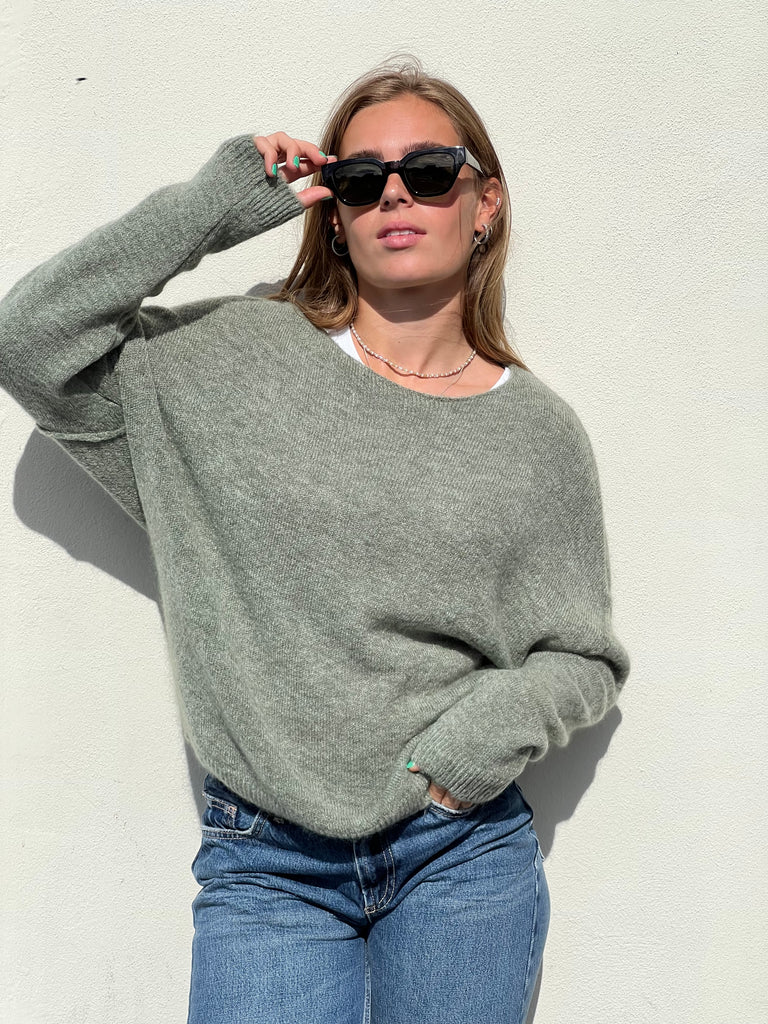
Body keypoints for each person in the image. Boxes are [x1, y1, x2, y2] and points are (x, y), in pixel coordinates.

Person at [0, 55, 630, 1024]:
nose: (395, 195)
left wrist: (465, 754)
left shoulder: (540, 434)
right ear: (333, 214)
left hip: (458, 855)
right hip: (268, 863)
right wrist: (215, 204)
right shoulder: (229, 361)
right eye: (361, 178)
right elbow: (29, 341)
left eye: (429, 171)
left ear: (485, 202)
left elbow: (582, 656)